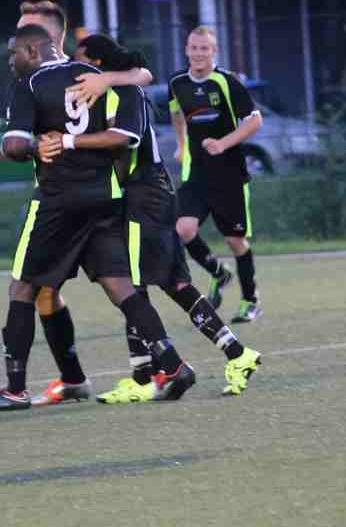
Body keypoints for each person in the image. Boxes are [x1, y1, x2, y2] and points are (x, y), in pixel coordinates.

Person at [0, 23, 194, 410]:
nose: (11, 61)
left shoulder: (29, 83)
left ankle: (14, 389)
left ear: (32, 51)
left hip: (57, 201)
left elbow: (13, 144)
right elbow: (127, 120)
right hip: (106, 196)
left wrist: (35, 147)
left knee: (22, 287)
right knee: (120, 286)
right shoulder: (96, 76)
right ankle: (174, 366)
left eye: (14, 53)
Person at [51, 34, 261, 402]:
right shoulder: (115, 89)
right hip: (152, 195)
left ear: (98, 63)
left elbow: (124, 143)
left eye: (79, 58)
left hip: (144, 195)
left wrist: (73, 150)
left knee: (132, 286)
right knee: (173, 282)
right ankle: (237, 353)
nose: (73, 65)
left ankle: (143, 376)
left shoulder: (123, 93)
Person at [12, 1, 152, 408]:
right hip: (78, 197)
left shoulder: (73, 73)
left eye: (27, 30)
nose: (20, 38)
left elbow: (140, 77)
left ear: (47, 38)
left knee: (126, 282)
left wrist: (109, 78)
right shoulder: (35, 78)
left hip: (81, 199)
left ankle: (159, 366)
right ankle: (74, 379)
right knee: (51, 291)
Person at [168, 27, 264, 322]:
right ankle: (218, 273)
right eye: (194, 47)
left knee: (235, 241)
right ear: (186, 50)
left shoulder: (227, 81)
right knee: (183, 229)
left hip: (229, 176)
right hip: (196, 173)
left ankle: (250, 301)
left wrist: (223, 144)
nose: (198, 53)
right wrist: (181, 145)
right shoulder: (177, 82)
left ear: (214, 52)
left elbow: (254, 121)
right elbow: (176, 113)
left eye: (204, 48)